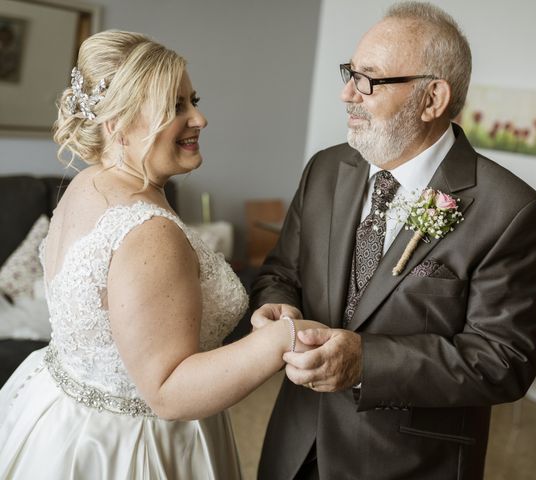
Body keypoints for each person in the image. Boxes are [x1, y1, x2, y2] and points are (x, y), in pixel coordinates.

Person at [0, 30, 324, 479]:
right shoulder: (148, 231)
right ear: (117, 124)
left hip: (63, 416)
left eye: (193, 99)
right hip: (131, 447)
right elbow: (168, 391)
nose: (200, 118)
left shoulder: (89, 183)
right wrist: (276, 342)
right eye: (175, 107)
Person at [250, 2, 536, 479]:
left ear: (431, 99)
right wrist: (278, 305)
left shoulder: (510, 210)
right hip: (295, 443)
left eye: (368, 79)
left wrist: (366, 362)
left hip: (405, 460)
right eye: (350, 72)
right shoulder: (325, 169)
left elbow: (504, 361)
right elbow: (281, 272)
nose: (347, 93)